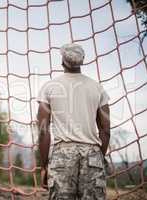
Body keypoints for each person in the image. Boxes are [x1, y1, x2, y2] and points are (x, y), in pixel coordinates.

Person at [37, 43, 110, 199]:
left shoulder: (49, 87)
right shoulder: (97, 88)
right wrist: (98, 158)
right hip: (92, 154)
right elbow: (105, 130)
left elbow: (43, 131)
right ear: (82, 60)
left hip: (62, 156)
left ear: (62, 61)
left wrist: (43, 166)